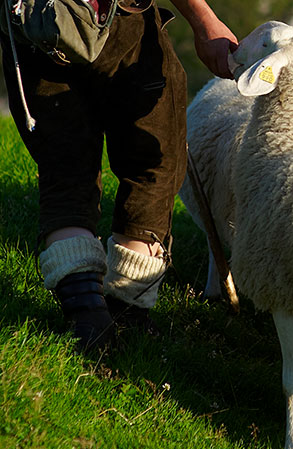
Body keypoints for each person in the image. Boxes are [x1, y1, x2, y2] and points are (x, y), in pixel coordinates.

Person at [0, 0, 238, 351]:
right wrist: (204, 22)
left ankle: (85, 314)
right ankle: (128, 306)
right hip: (120, 21)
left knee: (66, 171)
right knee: (153, 159)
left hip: (35, 28)